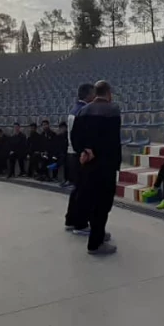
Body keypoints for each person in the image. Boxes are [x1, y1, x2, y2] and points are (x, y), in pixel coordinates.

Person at [71, 80, 122, 256]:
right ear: (108, 93)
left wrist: (85, 151)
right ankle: (95, 243)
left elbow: (75, 136)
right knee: (103, 205)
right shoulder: (113, 110)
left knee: (92, 202)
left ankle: (97, 234)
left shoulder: (84, 110)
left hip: (88, 165)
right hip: (105, 166)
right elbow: (112, 141)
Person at [64, 83, 96, 232]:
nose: (95, 97)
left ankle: (70, 219)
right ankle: (81, 224)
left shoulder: (74, 110)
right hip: (79, 155)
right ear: (88, 95)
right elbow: (81, 137)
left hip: (72, 154)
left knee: (77, 189)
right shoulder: (83, 111)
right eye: (93, 94)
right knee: (84, 191)